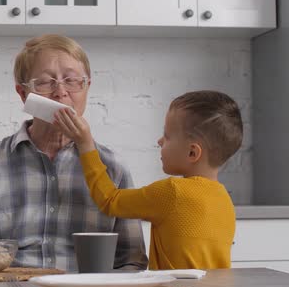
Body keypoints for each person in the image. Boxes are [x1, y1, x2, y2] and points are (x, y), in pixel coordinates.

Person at [0, 34, 148, 272]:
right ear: (23, 94)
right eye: (45, 82)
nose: (61, 92)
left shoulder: (112, 167)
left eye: (72, 80)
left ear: (87, 87)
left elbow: (132, 261)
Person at [53, 90, 243, 270]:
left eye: (167, 136)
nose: (159, 141)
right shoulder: (224, 201)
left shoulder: (173, 192)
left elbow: (110, 200)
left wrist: (85, 144)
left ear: (192, 152)